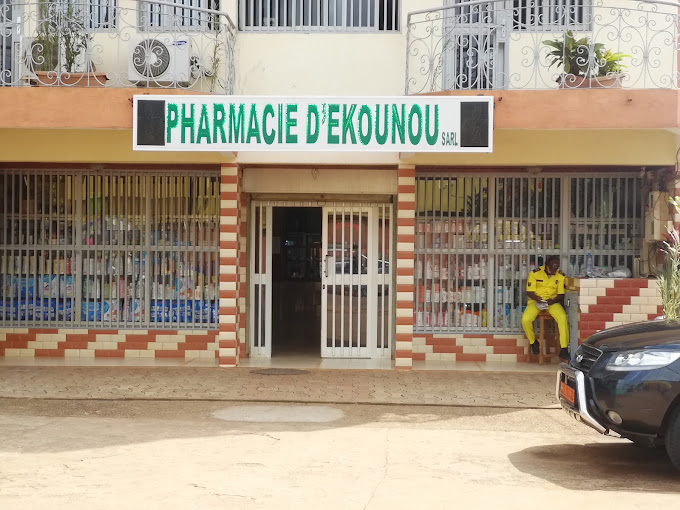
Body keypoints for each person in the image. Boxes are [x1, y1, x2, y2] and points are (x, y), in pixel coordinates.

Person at [521, 255, 570, 361]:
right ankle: (533, 342)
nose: (554, 270)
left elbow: (561, 294)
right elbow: (529, 291)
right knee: (525, 320)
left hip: (552, 302)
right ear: (547, 265)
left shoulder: (560, 276)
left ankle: (564, 348)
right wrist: (537, 299)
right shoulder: (535, 273)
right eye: (553, 267)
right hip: (536, 302)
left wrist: (552, 301)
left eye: (556, 267)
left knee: (562, 318)